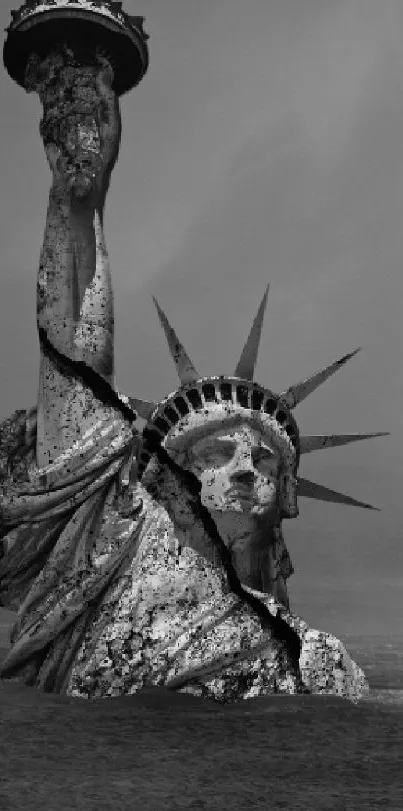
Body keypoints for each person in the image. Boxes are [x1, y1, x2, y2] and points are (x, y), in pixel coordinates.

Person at [0, 48, 377, 702]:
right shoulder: (102, 565)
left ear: (288, 494)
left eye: (263, 462)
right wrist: (75, 193)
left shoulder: (319, 663)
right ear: (162, 478)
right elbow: (73, 363)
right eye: (213, 452)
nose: (243, 470)